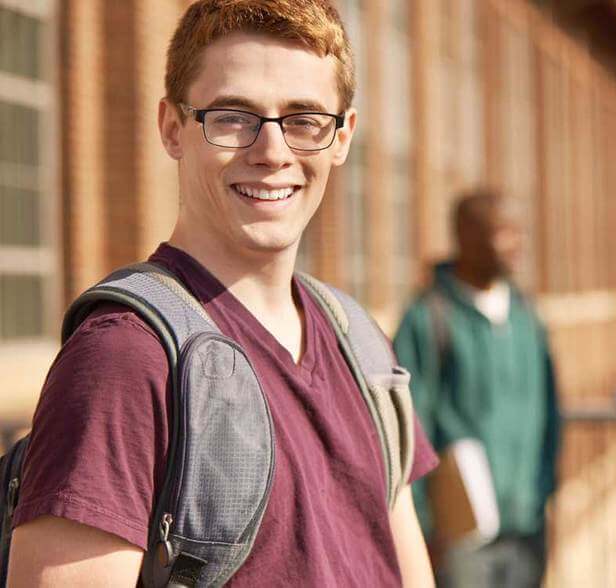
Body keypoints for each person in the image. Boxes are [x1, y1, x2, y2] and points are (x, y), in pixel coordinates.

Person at [7, 1, 437, 585]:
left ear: (342, 137)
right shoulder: (126, 360)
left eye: (304, 119)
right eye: (233, 116)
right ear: (171, 129)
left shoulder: (361, 344)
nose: (272, 151)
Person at [393, 190, 561, 588]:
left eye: (519, 233)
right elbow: (409, 429)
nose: (517, 245)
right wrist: (424, 525)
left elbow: (551, 412)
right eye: (503, 232)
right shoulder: (427, 318)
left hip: (527, 524)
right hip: (460, 537)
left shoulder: (526, 315)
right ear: (465, 236)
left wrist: (546, 491)